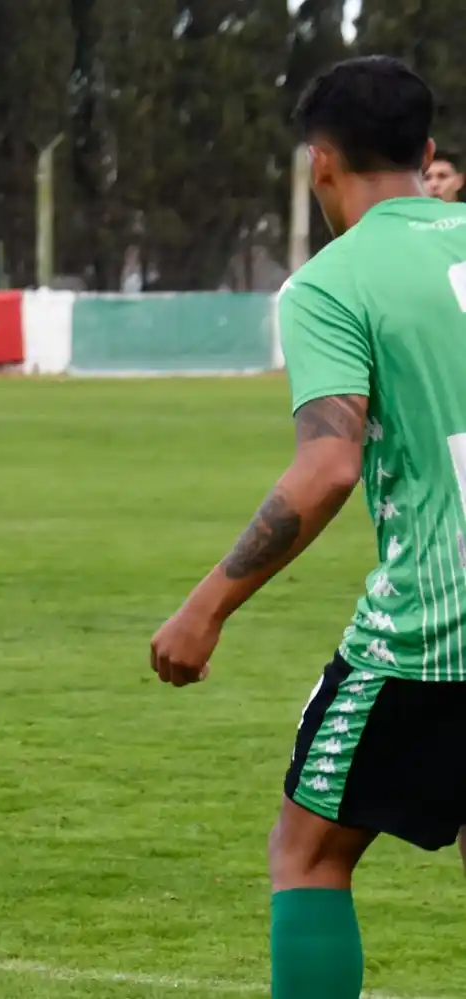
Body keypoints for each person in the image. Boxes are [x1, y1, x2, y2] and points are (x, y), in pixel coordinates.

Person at [149, 56, 466, 999]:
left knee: (309, 851)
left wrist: (206, 607)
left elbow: (327, 465)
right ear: (429, 152)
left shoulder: (332, 284)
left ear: (319, 163)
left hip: (435, 623)